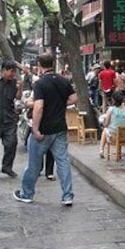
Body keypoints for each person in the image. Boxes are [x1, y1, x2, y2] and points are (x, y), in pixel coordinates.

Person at [14, 53, 78, 206]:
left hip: (43, 130)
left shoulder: (41, 83)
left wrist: (35, 129)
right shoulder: (63, 80)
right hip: (60, 128)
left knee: (34, 163)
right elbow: (74, 98)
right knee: (62, 162)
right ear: (53, 63)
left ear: (39, 65)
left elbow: (39, 107)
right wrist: (60, 104)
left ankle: (27, 193)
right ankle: (67, 195)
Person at [99, 91, 125, 158]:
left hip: (114, 138)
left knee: (105, 130)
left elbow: (106, 124)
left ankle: (101, 150)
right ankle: (121, 152)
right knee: (119, 128)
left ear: (113, 100)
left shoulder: (111, 110)